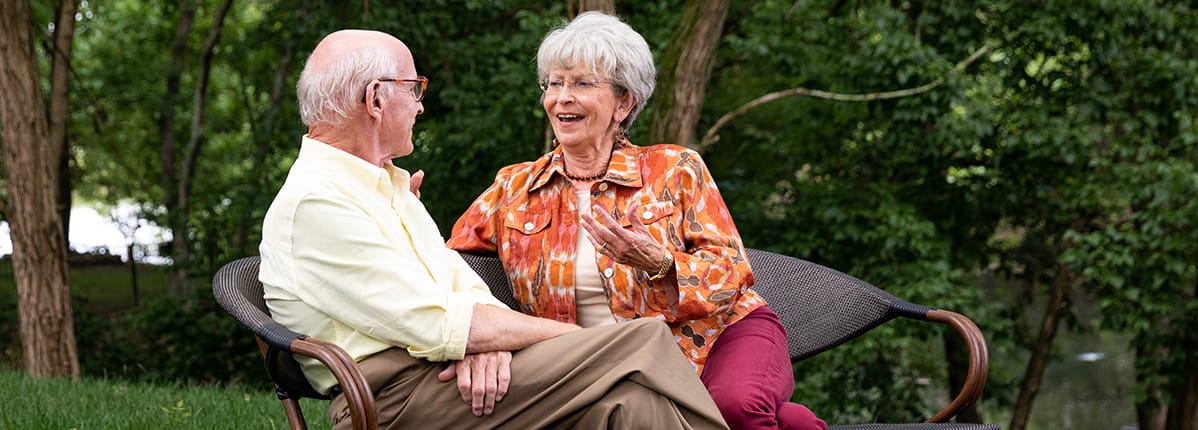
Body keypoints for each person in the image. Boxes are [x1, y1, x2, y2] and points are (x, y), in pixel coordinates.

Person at [259, 29, 728, 429]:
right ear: (376, 99)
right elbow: (442, 323)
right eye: (414, 88)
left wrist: (489, 343)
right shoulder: (319, 203)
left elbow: (459, 282)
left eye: (581, 84)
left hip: (435, 369)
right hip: (392, 395)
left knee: (632, 403)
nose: (420, 106)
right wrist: (553, 340)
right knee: (642, 340)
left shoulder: (382, 187)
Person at [446, 12, 827, 430]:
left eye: (582, 84)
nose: (562, 97)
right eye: (555, 83)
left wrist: (660, 264)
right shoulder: (513, 188)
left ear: (624, 102)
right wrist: (484, 341)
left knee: (735, 409)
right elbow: (446, 271)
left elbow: (732, 273)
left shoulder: (675, 168)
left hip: (720, 337)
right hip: (604, 364)